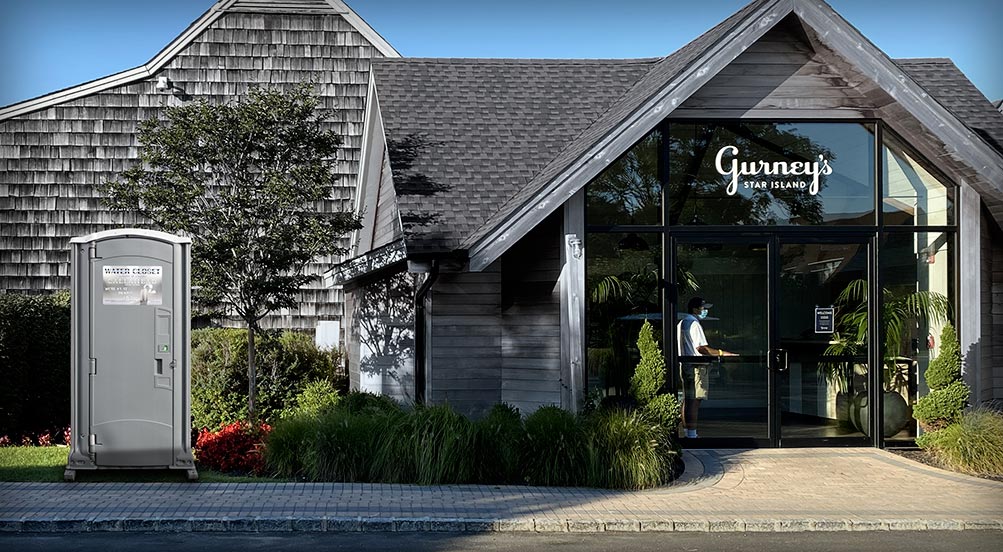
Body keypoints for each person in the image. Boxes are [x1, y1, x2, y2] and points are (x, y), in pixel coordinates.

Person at [677, 297, 736, 438]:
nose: (705, 311)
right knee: (696, 400)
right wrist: (722, 353)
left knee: (688, 400)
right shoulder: (694, 324)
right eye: (703, 308)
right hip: (697, 366)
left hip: (685, 365)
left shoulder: (682, 323)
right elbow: (701, 348)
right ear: (695, 309)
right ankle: (692, 434)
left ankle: (687, 432)